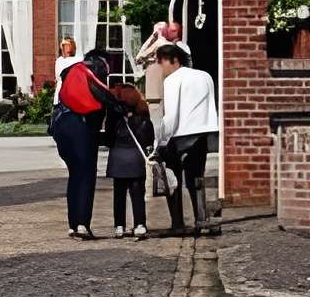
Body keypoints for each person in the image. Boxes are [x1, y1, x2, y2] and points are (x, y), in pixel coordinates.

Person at [147, 41, 219, 237]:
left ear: (173, 60)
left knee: (172, 180)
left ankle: (177, 223)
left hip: (179, 136)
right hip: (202, 133)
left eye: (161, 62)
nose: (160, 68)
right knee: (196, 179)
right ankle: (201, 219)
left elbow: (171, 115)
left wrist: (160, 141)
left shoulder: (172, 80)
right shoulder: (205, 76)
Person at [49, 34, 109, 240]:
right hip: (82, 126)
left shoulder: (72, 70)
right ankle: (83, 224)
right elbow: (102, 103)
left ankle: (72, 224)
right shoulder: (96, 71)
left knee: (74, 174)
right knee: (86, 174)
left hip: (61, 124)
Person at [101, 73, 153, 238]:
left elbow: (108, 139)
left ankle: (119, 226)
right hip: (136, 159)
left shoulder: (114, 116)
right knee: (137, 193)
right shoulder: (143, 114)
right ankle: (140, 224)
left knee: (119, 195)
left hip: (118, 159)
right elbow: (149, 138)